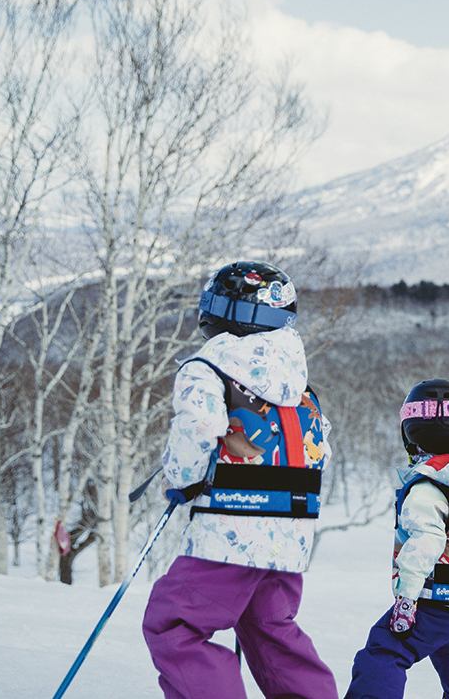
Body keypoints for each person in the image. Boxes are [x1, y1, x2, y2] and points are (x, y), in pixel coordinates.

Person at [142, 261, 337, 699]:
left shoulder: (208, 367)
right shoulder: (300, 384)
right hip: (288, 534)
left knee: (174, 625)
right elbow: (320, 450)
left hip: (230, 530)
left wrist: (183, 479)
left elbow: (196, 429)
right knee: (270, 630)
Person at [344, 379, 449, 699]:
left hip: (437, 596)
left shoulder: (427, 487)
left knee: (386, 650)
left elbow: (425, 542)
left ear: (411, 434)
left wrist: (407, 597)